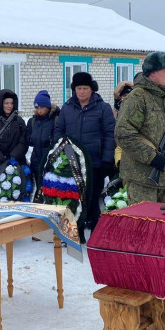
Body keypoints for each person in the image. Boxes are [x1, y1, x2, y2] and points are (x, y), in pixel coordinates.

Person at [115, 52, 165, 205]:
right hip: (143, 180)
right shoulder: (138, 97)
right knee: (143, 227)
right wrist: (151, 157)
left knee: (161, 228)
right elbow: (123, 134)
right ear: (153, 73)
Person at [55, 71, 116, 233]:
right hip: (72, 163)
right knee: (74, 198)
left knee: (93, 198)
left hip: (95, 163)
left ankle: (96, 231)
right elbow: (59, 131)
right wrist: (61, 153)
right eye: (78, 88)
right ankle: (77, 231)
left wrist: (107, 160)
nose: (82, 92)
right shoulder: (67, 108)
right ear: (74, 90)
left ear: (92, 89)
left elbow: (110, 134)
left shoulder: (103, 108)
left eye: (85, 88)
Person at [0, 89, 28, 166]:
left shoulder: (19, 121)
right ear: (0, 104)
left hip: (16, 162)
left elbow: (23, 141)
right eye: (6, 103)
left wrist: (14, 156)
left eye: (12, 103)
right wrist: (0, 157)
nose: (9, 106)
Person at [26, 90, 60, 179]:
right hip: (36, 160)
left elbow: (57, 140)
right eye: (37, 107)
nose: (39, 110)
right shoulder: (33, 121)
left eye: (42, 107)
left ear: (48, 107)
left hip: (50, 160)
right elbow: (28, 139)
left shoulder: (56, 120)